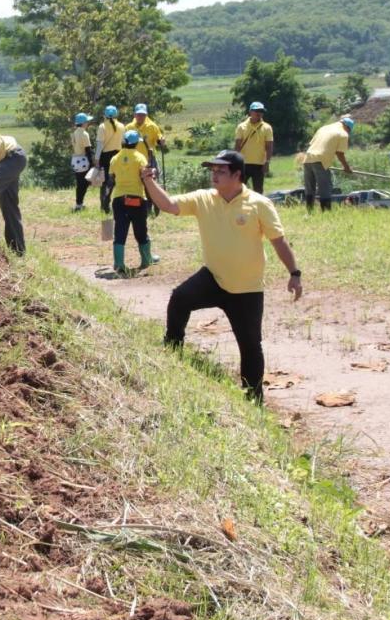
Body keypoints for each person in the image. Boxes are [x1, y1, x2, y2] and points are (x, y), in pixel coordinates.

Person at [141, 149, 302, 402]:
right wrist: (148, 180)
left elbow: (278, 241)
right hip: (213, 278)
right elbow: (168, 205)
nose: (214, 175)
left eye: (220, 171)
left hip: (247, 289)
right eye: (212, 170)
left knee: (250, 346)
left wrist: (294, 272)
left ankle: (253, 396)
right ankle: (172, 351)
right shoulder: (204, 198)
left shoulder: (259, 204)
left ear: (237, 175)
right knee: (180, 298)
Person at [108, 129, 153, 275]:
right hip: (137, 199)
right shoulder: (140, 158)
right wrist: (152, 199)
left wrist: (105, 198)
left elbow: (111, 181)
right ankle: (146, 261)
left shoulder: (115, 158)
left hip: (119, 199)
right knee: (140, 230)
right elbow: (146, 180)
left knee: (120, 231)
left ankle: (119, 264)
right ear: (136, 144)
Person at [302, 116, 355, 212]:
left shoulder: (324, 128)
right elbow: (340, 153)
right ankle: (326, 212)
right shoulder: (343, 134)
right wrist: (346, 167)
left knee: (310, 188)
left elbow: (312, 144)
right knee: (325, 187)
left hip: (307, 158)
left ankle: (309, 211)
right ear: (348, 127)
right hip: (321, 160)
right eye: (349, 131)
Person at [234, 101, 274, 194]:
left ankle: (258, 208)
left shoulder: (267, 128)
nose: (259, 113)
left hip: (259, 164)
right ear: (250, 112)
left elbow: (269, 146)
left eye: (261, 111)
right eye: (256, 111)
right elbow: (237, 146)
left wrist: (267, 162)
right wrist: (235, 163)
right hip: (243, 164)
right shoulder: (241, 127)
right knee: (239, 189)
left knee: (258, 190)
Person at [93, 105, 125, 213]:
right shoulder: (121, 126)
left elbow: (100, 144)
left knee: (105, 181)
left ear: (105, 115)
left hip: (106, 156)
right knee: (115, 180)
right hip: (118, 155)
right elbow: (123, 142)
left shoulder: (102, 126)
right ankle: (114, 202)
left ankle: (104, 203)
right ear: (116, 114)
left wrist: (96, 158)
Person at [70, 112, 93, 211]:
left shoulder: (74, 133)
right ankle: (80, 203)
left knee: (79, 184)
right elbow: (88, 150)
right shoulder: (85, 134)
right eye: (87, 121)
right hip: (83, 160)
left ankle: (78, 204)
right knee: (84, 184)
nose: (88, 123)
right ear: (83, 123)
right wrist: (92, 164)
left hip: (75, 160)